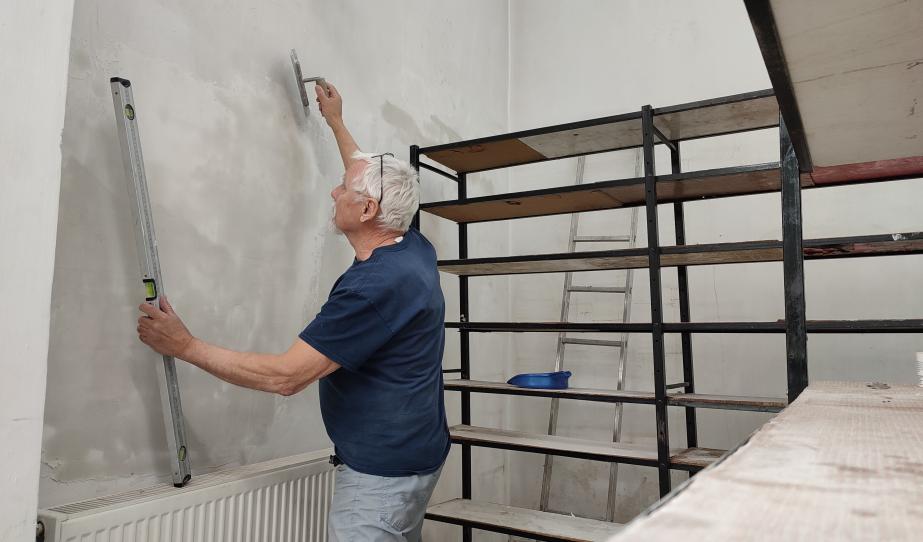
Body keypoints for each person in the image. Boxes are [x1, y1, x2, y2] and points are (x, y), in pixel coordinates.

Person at [136, 81, 450, 541]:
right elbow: (365, 175)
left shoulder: (373, 288)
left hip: (381, 480)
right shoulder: (412, 244)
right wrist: (336, 121)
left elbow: (286, 377)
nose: (333, 192)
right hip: (418, 453)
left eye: (342, 189)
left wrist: (185, 346)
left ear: (367, 210)